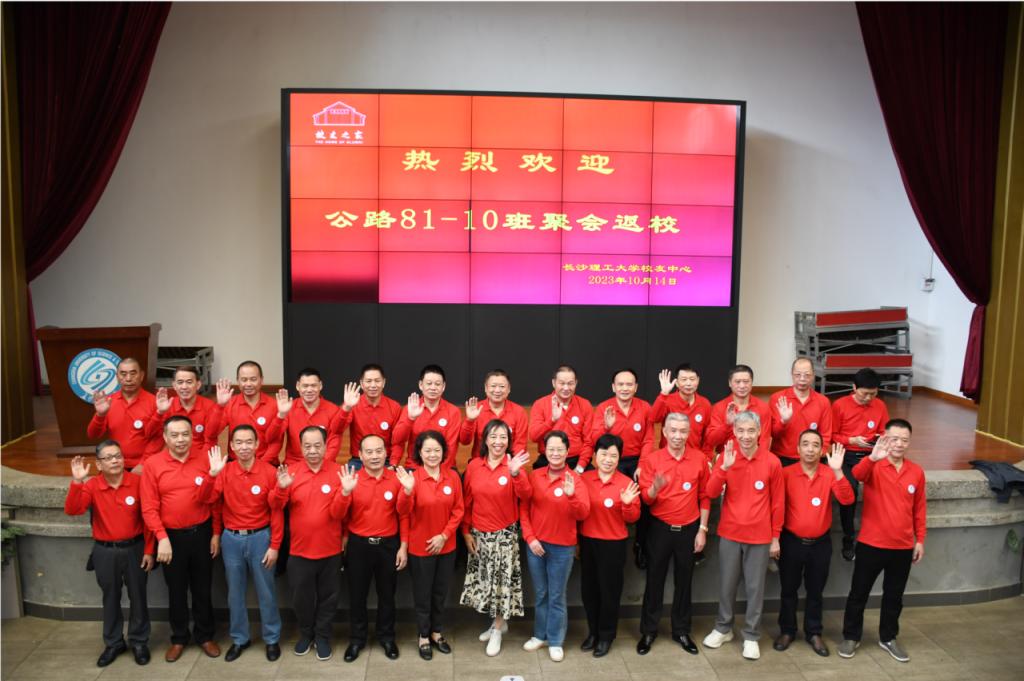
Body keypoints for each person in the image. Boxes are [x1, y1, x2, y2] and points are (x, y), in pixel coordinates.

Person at [838, 419, 926, 663]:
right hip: (871, 543)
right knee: (859, 594)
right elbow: (856, 475)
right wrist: (872, 457)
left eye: (904, 440)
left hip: (903, 546)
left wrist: (920, 539)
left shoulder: (916, 471)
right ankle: (851, 636)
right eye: (894, 439)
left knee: (894, 596)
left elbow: (919, 509)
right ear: (885, 438)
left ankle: (888, 637)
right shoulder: (874, 465)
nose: (899, 444)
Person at [64, 441, 154, 667]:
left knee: (138, 596)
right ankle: (114, 642)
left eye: (118, 456)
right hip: (105, 551)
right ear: (98, 464)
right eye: (108, 457)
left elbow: (149, 518)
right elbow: (73, 510)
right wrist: (77, 482)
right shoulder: (92, 485)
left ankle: (139, 641)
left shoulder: (138, 482)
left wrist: (149, 550)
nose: (114, 460)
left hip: (136, 548)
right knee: (110, 597)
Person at [703, 411, 783, 661]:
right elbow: (710, 492)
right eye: (741, 431)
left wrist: (775, 536)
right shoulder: (726, 457)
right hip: (730, 532)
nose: (746, 436)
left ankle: (751, 635)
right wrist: (723, 468)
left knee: (755, 588)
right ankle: (723, 628)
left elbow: (778, 503)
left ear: (759, 432)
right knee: (726, 585)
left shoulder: (772, 462)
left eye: (750, 430)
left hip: (760, 536)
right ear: (734, 433)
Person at [140, 415, 221, 662]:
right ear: (165, 437)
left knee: (203, 588)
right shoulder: (153, 464)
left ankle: (205, 635)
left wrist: (216, 533)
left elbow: (213, 501)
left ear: (192, 435)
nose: (180, 439)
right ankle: (178, 638)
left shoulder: (205, 458)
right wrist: (161, 537)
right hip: (171, 538)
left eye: (185, 434)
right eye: (174, 435)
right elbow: (149, 507)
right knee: (176, 590)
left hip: (202, 533)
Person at [200, 425, 283, 662]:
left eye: (249, 442)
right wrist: (212, 475)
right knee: (234, 593)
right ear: (232, 446)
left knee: (266, 592)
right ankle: (239, 638)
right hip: (232, 539)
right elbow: (207, 500)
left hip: (261, 537)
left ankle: (271, 639)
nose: (244, 447)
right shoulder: (224, 471)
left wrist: (275, 545)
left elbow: (277, 511)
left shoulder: (269, 472)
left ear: (257, 445)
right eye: (239, 442)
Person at [269, 426, 346, 661]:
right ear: (300, 447)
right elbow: (275, 505)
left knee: (328, 599)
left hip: (330, 550)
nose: (312, 451)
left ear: (326, 446)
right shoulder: (290, 472)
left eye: (317, 445)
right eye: (307, 446)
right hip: (299, 551)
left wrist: (345, 492)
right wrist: (281, 488)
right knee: (301, 599)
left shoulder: (338, 472)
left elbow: (339, 514)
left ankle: (322, 637)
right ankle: (306, 634)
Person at [636, 414, 710, 657]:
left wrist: (702, 530)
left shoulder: (699, 459)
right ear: (665, 433)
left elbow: (705, 496)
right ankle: (649, 631)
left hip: (689, 530)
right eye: (673, 431)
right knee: (654, 580)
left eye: (683, 431)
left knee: (685, 582)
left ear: (688, 433)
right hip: (660, 529)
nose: (678, 436)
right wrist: (654, 488)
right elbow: (646, 499)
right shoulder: (653, 459)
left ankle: (681, 631)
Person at [775, 431, 853, 657]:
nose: (810, 449)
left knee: (816, 591)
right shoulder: (785, 473)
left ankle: (814, 632)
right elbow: (776, 506)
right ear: (797, 449)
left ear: (822, 451)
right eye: (806, 444)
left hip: (820, 544)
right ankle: (787, 631)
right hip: (791, 541)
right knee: (788, 590)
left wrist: (838, 471)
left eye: (815, 445)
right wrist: (774, 537)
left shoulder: (829, 474)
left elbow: (847, 499)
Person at [460, 419, 532, 656]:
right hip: (480, 534)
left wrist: (515, 473)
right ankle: (496, 623)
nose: (498, 442)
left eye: (503, 437)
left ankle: (498, 629)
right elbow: (467, 501)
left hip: (504, 535)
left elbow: (526, 495)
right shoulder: (474, 466)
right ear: (485, 440)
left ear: (508, 441)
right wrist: (466, 531)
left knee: (501, 585)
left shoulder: (513, 465)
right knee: (488, 585)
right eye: (493, 436)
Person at [335, 434, 410, 662]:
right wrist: (345, 492)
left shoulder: (396, 479)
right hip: (359, 545)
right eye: (369, 452)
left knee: (387, 595)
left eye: (379, 451)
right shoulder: (352, 479)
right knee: (357, 596)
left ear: (386, 453)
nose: (375, 456)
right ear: (360, 455)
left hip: (388, 545)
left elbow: (404, 515)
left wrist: (403, 546)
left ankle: (387, 638)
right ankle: (357, 640)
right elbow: (338, 515)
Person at [520, 430, 591, 662]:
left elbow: (583, 513)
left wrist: (571, 495)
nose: (555, 453)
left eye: (560, 449)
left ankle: (555, 640)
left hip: (563, 548)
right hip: (536, 546)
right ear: (544, 450)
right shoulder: (535, 476)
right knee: (541, 593)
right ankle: (539, 635)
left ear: (568, 451)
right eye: (551, 449)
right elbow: (524, 509)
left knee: (557, 595)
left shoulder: (575, 479)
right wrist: (530, 538)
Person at [395, 431, 465, 660]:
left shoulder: (452, 477)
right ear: (419, 453)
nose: (432, 455)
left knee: (440, 593)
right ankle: (423, 635)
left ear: (444, 452)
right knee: (423, 594)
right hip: (420, 548)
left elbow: (459, 510)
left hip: (447, 546)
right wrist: (407, 491)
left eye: (437, 450)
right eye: (427, 451)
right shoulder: (412, 478)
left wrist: (444, 536)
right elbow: (402, 512)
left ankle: (436, 632)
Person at [578, 434, 640, 657]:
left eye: (613, 455)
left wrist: (627, 505)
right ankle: (593, 632)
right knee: (589, 591)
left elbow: (633, 518)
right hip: (588, 542)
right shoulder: (584, 479)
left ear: (619, 458)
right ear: (595, 456)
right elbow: (577, 512)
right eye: (603, 454)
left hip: (613, 544)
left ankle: (606, 636)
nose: (608, 459)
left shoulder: (626, 483)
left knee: (609, 593)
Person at [831, 368, 890, 560]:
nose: (868, 398)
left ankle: (882, 534)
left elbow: (885, 432)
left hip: (872, 455)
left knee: (887, 486)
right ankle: (849, 539)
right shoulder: (840, 405)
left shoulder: (880, 406)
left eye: (873, 394)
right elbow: (831, 435)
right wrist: (851, 440)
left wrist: (878, 440)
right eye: (864, 393)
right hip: (846, 454)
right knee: (849, 490)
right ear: (854, 388)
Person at [86, 358, 160, 468]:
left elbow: (158, 439)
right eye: (123, 374)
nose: (128, 379)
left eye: (133, 374)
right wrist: (100, 415)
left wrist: (143, 464)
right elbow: (92, 435)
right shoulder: (108, 402)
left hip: (144, 464)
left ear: (141, 376)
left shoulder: (154, 402)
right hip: (114, 463)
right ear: (117, 377)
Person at [392, 365, 462, 468]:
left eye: (437, 384)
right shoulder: (410, 408)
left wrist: (437, 472)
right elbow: (397, 439)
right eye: (429, 383)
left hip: (444, 469)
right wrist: (410, 419)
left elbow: (450, 448)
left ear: (443, 386)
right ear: (421, 385)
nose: (433, 388)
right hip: (415, 467)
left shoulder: (453, 411)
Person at [212, 361, 284, 463]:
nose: (248, 384)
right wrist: (220, 406)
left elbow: (276, 442)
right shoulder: (230, 403)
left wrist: (261, 465)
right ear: (238, 381)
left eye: (253, 379)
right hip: (236, 462)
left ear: (261, 380)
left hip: (266, 462)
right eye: (244, 380)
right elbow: (213, 433)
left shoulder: (274, 405)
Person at [334, 363, 402, 469]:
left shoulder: (394, 407)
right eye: (369, 381)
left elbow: (398, 441)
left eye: (377, 381)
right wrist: (346, 407)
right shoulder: (353, 404)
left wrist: (393, 464)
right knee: (347, 478)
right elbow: (337, 430)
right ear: (361, 383)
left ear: (384, 382)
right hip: (359, 460)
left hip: (385, 460)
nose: (373, 385)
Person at [271, 368, 342, 466]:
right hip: (294, 464)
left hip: (324, 464)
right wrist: (281, 415)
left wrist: (318, 465)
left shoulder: (333, 410)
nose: (309, 390)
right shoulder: (289, 408)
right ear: (297, 386)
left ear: (320, 385)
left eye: (313, 386)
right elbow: (272, 437)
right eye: (305, 386)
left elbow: (334, 444)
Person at [589, 368, 653, 477]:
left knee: (643, 483)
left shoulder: (645, 407)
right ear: (613, 387)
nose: (625, 388)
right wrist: (606, 427)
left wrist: (642, 465)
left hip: (637, 460)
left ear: (636, 387)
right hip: (612, 460)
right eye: (620, 384)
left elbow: (648, 440)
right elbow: (595, 441)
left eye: (629, 384)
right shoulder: (603, 408)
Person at [769, 358, 833, 467]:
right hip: (783, 457)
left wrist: (818, 454)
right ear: (792, 375)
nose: (802, 379)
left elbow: (825, 435)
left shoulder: (823, 401)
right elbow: (773, 434)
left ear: (813, 375)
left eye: (807, 375)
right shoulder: (778, 398)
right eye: (798, 375)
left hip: (812, 458)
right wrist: (783, 421)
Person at [528, 365, 593, 469]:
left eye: (570, 383)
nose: (566, 388)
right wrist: (552, 420)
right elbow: (534, 437)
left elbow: (589, 442)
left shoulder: (585, 405)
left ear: (576, 383)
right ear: (553, 383)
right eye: (562, 383)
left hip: (576, 460)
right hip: (548, 459)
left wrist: (580, 467)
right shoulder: (540, 404)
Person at [146, 367, 222, 455]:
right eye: (180, 382)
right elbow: (149, 434)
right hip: (173, 455)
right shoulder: (167, 405)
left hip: (200, 456)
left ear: (198, 385)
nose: (184, 387)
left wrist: (201, 460)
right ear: (174, 385)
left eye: (189, 382)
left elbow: (210, 440)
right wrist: (160, 412)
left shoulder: (210, 406)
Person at [705, 364, 773, 454]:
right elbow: (711, 441)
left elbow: (764, 439)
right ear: (730, 383)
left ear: (751, 382)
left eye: (746, 381)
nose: (742, 386)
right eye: (737, 382)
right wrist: (727, 425)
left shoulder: (763, 407)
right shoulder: (719, 407)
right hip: (727, 457)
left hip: (753, 457)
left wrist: (758, 459)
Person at [460, 370, 529, 454]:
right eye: (493, 386)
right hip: (481, 460)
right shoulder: (476, 409)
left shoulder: (519, 412)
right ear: (486, 388)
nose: (497, 390)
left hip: (509, 460)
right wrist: (470, 420)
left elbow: (520, 445)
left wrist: (509, 461)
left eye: (502, 386)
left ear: (509, 389)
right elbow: (465, 441)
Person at [651, 365, 713, 458]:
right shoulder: (667, 400)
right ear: (676, 383)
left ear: (698, 380)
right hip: (669, 457)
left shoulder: (705, 404)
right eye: (684, 379)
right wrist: (664, 393)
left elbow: (707, 436)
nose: (688, 383)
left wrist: (706, 458)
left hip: (694, 457)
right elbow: (654, 418)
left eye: (692, 379)